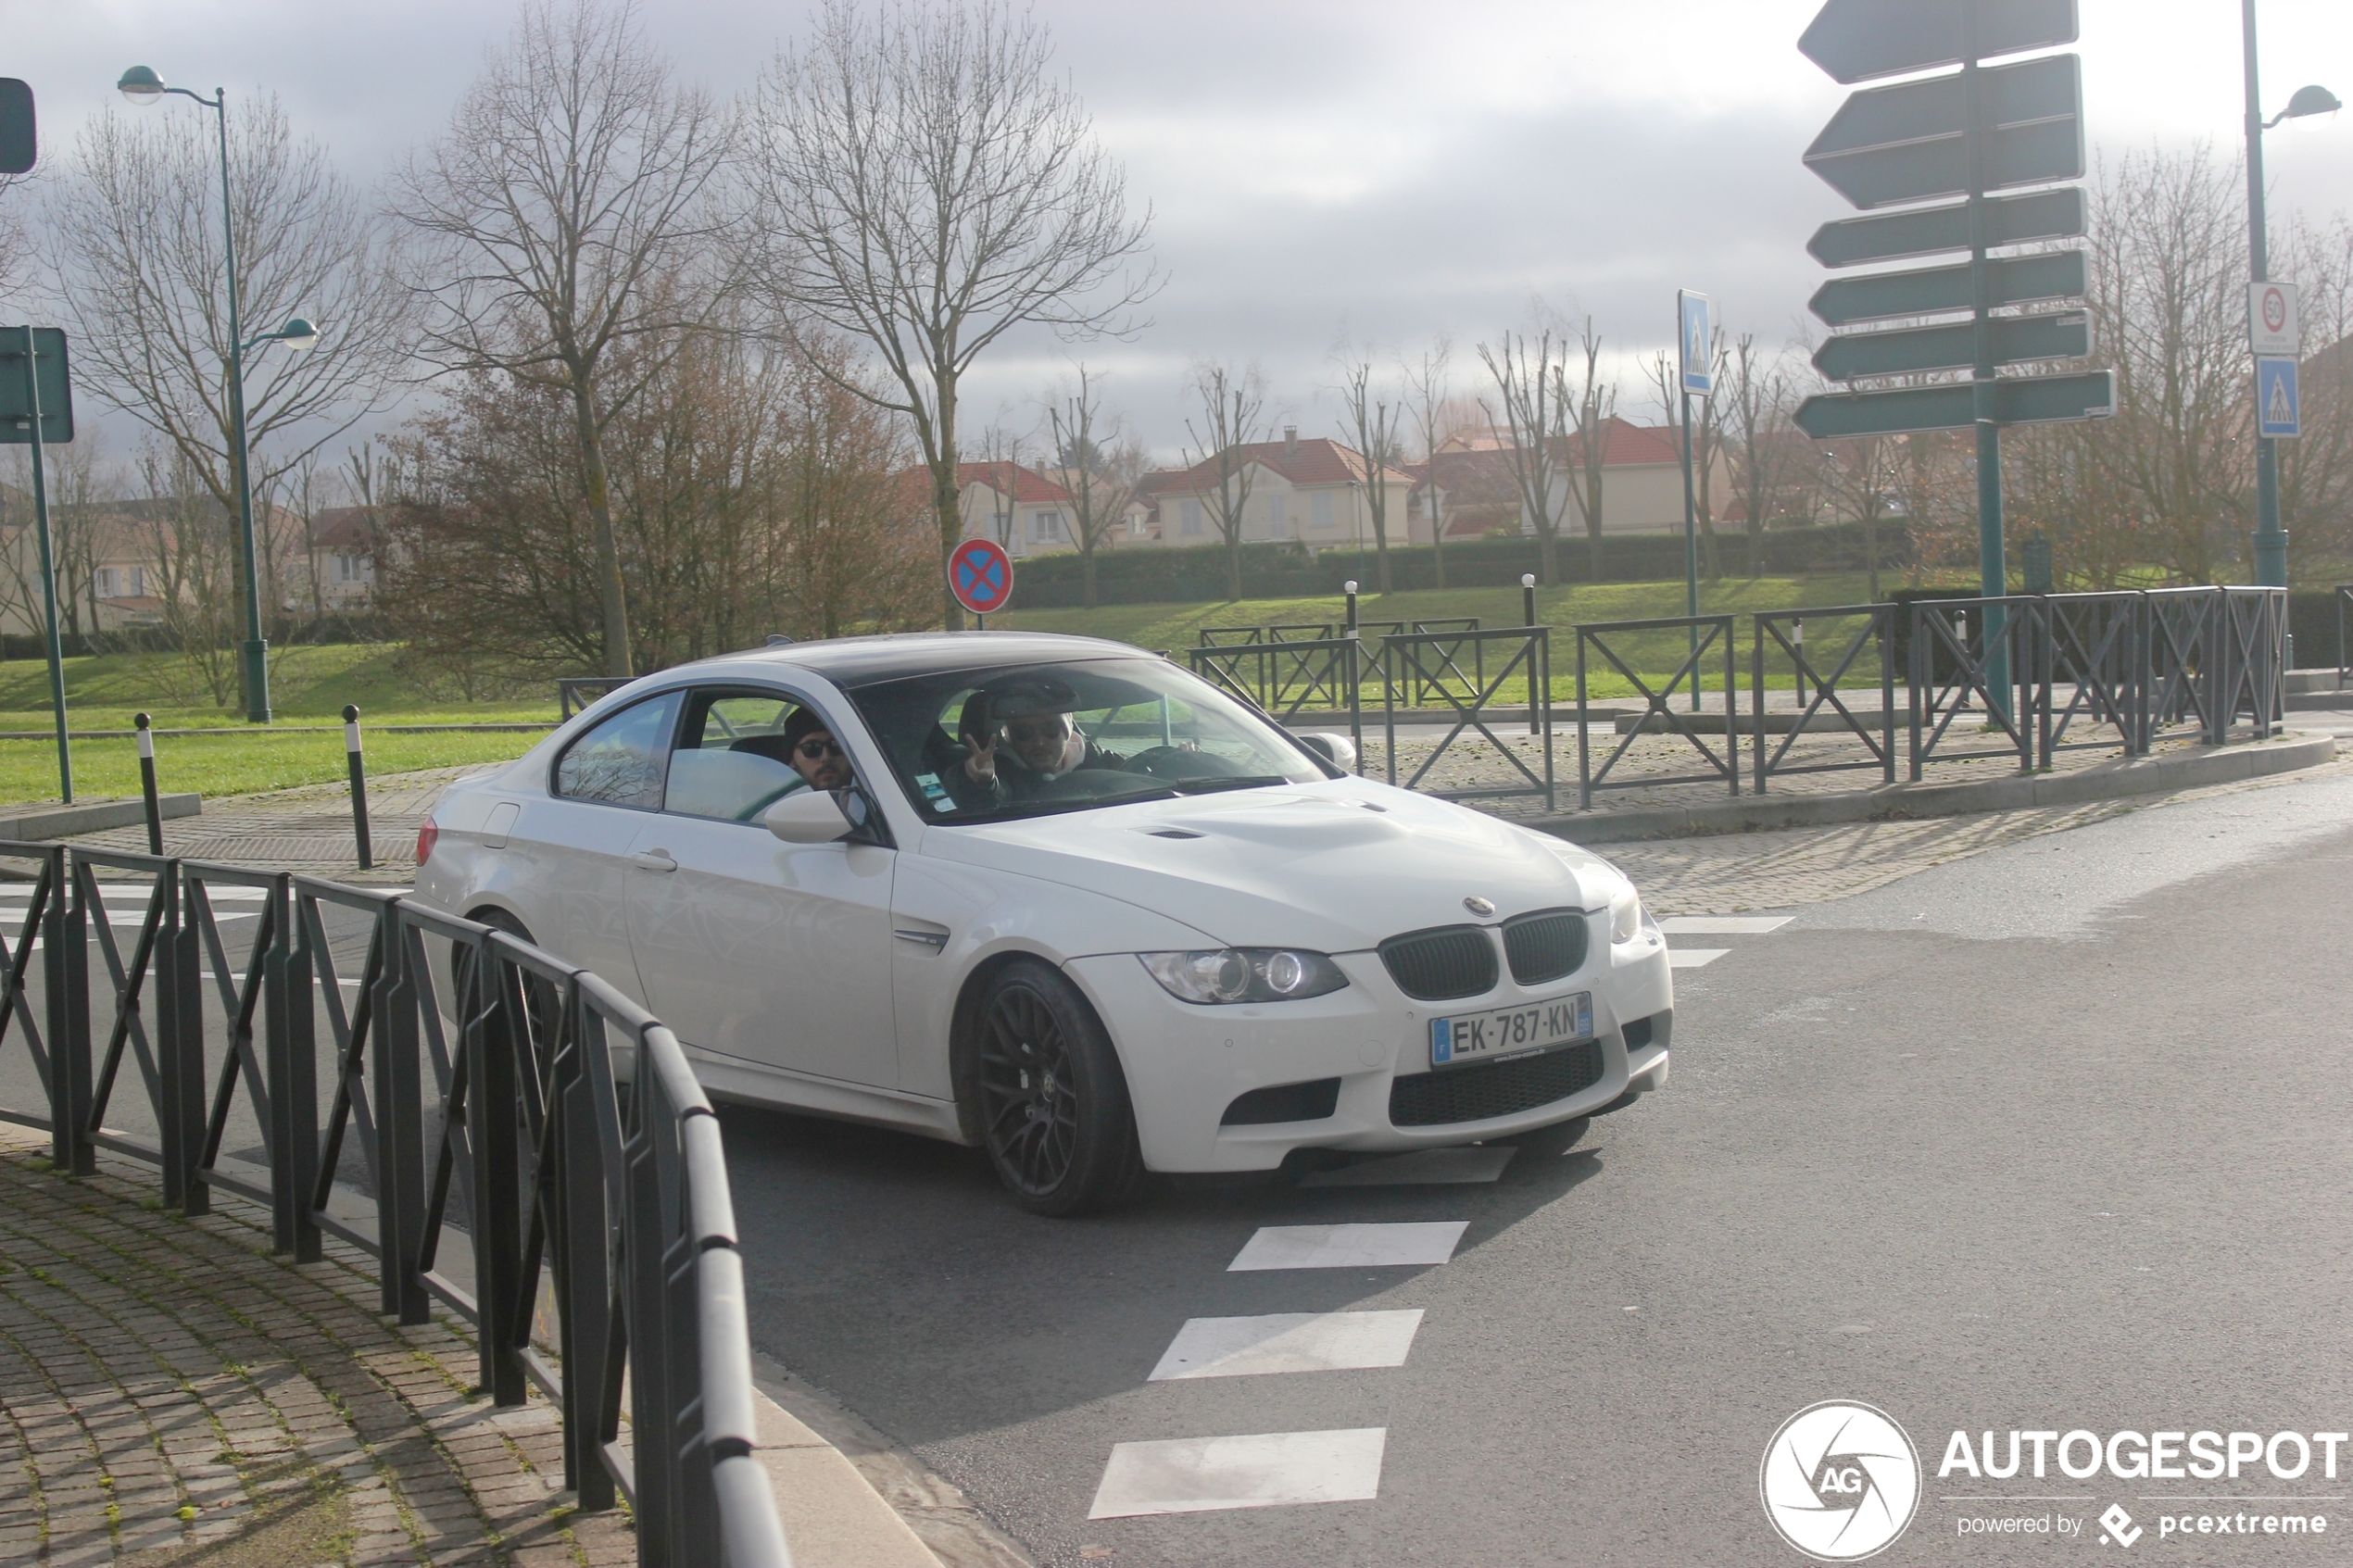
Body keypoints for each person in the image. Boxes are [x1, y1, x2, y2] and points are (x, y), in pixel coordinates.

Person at [950, 681, 1123, 808]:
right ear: (1010, 738)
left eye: (1051, 730)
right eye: (1023, 733)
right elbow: (995, 801)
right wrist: (987, 784)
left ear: (1066, 732)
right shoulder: (1002, 771)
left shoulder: (1102, 760)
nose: (1039, 742)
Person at [777, 707, 853, 792]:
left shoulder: (870, 790)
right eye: (811, 748)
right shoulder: (780, 802)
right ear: (792, 760)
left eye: (836, 746)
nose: (826, 757)